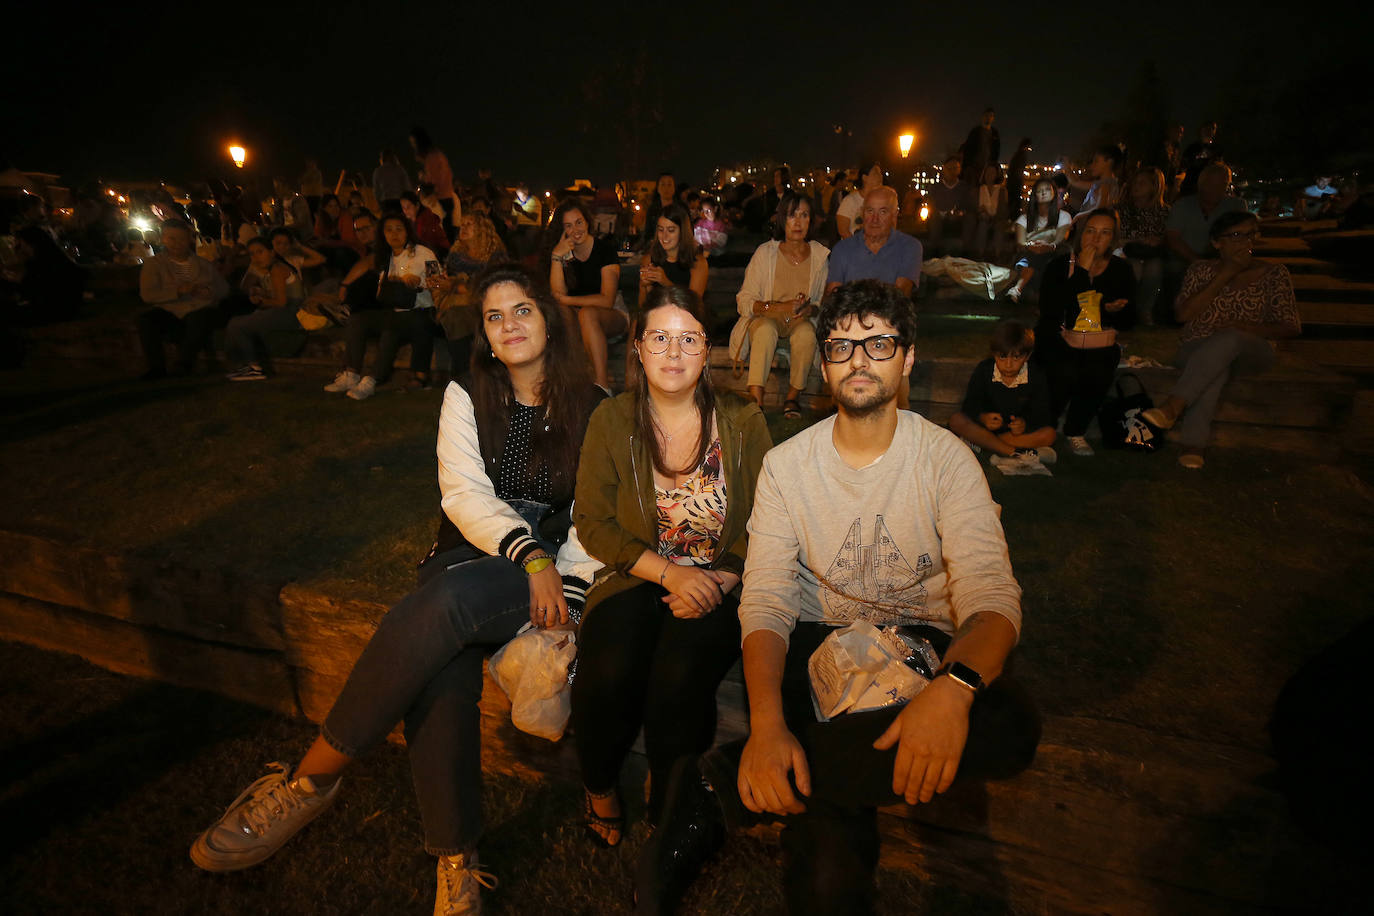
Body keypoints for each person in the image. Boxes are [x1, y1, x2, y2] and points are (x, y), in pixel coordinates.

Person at [191, 263, 605, 915]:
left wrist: (566, 585)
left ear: (548, 321)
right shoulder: (468, 392)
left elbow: (597, 518)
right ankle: (456, 858)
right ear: (486, 335)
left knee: (439, 609)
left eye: (522, 310)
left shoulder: (595, 406)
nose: (509, 325)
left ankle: (310, 779)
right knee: (441, 673)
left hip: (553, 566)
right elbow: (463, 493)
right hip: (474, 551)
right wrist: (525, 554)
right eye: (495, 316)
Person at [637, 279, 1039, 915]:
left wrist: (951, 691)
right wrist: (769, 724)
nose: (859, 360)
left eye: (878, 344)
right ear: (823, 362)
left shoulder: (945, 460)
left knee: (1011, 726)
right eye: (842, 346)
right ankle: (790, 765)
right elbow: (767, 600)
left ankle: (718, 786)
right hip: (817, 643)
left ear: (907, 358)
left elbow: (991, 595)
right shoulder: (789, 466)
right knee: (828, 879)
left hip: (922, 645)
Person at [569, 285, 772, 847]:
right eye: (660, 337)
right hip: (637, 574)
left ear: (709, 352)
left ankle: (669, 787)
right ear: (637, 348)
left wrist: (724, 576)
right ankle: (600, 784)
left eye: (689, 339)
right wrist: (670, 573)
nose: (674, 352)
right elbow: (592, 521)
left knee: (679, 675)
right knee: (609, 666)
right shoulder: (612, 418)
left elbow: (769, 515)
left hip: (720, 579)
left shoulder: (742, 420)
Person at [1140, 211, 1300, 469]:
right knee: (1215, 365)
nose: (1245, 241)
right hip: (1196, 347)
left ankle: (1173, 406)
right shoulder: (1200, 270)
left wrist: (1245, 327)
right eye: (1236, 235)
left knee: (1231, 337)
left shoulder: (1274, 274)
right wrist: (1225, 274)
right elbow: (1183, 315)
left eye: (1250, 234)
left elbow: (1290, 326)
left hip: (1251, 350)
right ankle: (1193, 445)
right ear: (1217, 242)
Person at [1034, 210, 1136, 457]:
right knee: (1063, 366)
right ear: (1081, 235)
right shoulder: (1059, 266)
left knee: (1100, 366)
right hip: (1058, 335)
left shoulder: (1120, 270)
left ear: (1112, 239)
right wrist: (1081, 272)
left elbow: (1130, 320)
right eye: (1090, 231)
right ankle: (1044, 428)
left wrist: (1111, 310)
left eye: (1104, 233)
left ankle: (1075, 430)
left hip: (1097, 340)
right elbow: (1052, 310)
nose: (1095, 239)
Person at [730, 195, 829, 418]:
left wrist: (810, 308)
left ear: (811, 221)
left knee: (806, 334)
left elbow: (821, 304)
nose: (798, 222)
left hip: (799, 322)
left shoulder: (820, 257)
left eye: (804, 215)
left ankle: (792, 398)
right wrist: (776, 307)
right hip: (767, 319)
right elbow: (744, 299)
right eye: (792, 215)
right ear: (782, 219)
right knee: (765, 330)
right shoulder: (766, 253)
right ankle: (756, 399)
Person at [324, 212, 439, 399]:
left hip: (419, 311)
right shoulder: (386, 258)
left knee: (391, 326)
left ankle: (373, 378)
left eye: (399, 229)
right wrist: (390, 282)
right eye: (389, 230)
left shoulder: (423, 253)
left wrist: (417, 282)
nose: (394, 234)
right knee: (358, 320)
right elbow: (379, 290)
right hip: (393, 310)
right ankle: (351, 373)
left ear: (407, 231)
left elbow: (438, 283)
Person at [948, 319, 1056, 462]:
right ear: (994, 354)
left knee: (1049, 434)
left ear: (1027, 356)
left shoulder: (1036, 375)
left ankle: (986, 443)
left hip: (1012, 434)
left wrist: (1024, 423)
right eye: (1002, 357)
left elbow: (1042, 413)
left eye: (1016, 357)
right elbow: (970, 405)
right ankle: (1014, 452)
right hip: (985, 428)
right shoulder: (985, 370)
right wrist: (983, 417)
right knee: (957, 420)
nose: (1008, 365)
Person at [547, 199, 626, 392]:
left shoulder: (604, 251)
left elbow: (607, 300)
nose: (575, 229)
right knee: (562, 313)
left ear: (588, 222)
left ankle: (602, 386)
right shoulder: (564, 253)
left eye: (579, 222)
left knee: (587, 313)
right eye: (568, 225)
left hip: (612, 316)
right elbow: (557, 296)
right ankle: (574, 383)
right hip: (576, 320)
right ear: (562, 230)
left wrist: (567, 300)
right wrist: (557, 257)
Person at [136, 218, 229, 379]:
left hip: (199, 309)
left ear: (189, 240)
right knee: (146, 320)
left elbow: (223, 289)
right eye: (171, 238)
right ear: (163, 239)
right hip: (170, 309)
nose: (176, 243)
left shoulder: (203, 264)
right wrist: (177, 292)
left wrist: (209, 291)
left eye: (181, 239)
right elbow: (148, 294)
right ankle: (157, 368)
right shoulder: (154, 264)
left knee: (200, 318)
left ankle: (184, 363)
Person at [435, 213, 510, 380]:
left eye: (469, 224)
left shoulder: (496, 257)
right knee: (455, 316)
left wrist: (463, 287)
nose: (464, 228)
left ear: (482, 230)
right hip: (460, 308)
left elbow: (498, 284)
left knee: (462, 317)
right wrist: (447, 283)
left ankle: (466, 376)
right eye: (462, 225)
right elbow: (450, 285)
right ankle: (462, 377)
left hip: (488, 305)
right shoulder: (455, 258)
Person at [223, 237, 308, 381]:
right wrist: (261, 294)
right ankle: (247, 365)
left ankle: (253, 367)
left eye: (260, 252)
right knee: (236, 322)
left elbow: (281, 302)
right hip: (286, 311)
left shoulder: (277, 269)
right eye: (252, 254)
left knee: (237, 325)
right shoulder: (272, 269)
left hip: (291, 313)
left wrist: (261, 302)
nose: (256, 257)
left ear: (271, 252)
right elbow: (277, 295)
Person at [1117, 168, 1171, 324]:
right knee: (1134, 268)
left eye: (1142, 183)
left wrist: (1158, 240)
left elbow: (1170, 237)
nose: (1136, 186)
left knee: (1154, 267)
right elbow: (1116, 237)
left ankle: (1145, 309)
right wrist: (1137, 240)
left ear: (1154, 187)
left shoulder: (1164, 212)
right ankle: (1130, 308)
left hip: (1152, 254)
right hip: (1126, 251)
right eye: (1135, 182)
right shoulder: (1122, 209)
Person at [1005, 177, 1071, 303]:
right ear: (1034, 195)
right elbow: (1020, 242)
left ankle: (1017, 289)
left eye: (1047, 189)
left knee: (1044, 256)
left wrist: (1047, 246)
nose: (1043, 192)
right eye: (1039, 190)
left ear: (1054, 193)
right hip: (1029, 253)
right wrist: (1032, 246)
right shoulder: (1024, 219)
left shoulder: (1063, 216)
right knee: (1034, 255)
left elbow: (1061, 239)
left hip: (1052, 253)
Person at [639, 203, 708, 307]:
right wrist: (644, 286)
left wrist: (666, 282)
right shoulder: (649, 259)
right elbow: (643, 307)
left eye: (671, 230)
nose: (664, 236)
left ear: (682, 232)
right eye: (660, 230)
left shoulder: (697, 262)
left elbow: (694, 307)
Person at [411, 126, 456, 240]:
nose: (413, 146)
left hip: (440, 198)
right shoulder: (437, 155)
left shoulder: (432, 157)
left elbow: (436, 179)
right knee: (447, 230)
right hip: (445, 196)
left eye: (413, 142)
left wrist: (431, 191)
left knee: (442, 231)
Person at [926, 157, 969, 257]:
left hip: (957, 221)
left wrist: (959, 213)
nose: (952, 172)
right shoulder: (936, 188)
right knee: (935, 220)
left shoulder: (964, 188)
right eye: (949, 169)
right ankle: (934, 252)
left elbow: (967, 206)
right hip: (939, 218)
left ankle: (965, 253)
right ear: (944, 170)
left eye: (955, 168)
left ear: (959, 170)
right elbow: (931, 205)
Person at [965, 164, 1008, 262]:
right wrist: (980, 211)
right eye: (988, 172)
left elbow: (1004, 211)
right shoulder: (977, 190)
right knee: (983, 224)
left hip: (996, 219)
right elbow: (971, 208)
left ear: (997, 175)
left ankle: (997, 256)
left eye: (992, 173)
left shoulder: (1002, 191)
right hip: (981, 219)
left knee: (999, 227)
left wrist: (993, 217)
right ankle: (979, 255)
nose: (990, 175)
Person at [1067, 146, 1122, 222]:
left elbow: (1099, 210)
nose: (1092, 165)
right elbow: (1076, 183)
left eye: (1096, 161)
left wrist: (1078, 216)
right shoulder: (1107, 182)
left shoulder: (1106, 184)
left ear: (1109, 162)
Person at [835, 162, 883, 240]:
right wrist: (857, 248)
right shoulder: (850, 200)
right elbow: (843, 231)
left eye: (880, 173)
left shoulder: (881, 201)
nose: (880, 177)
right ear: (865, 177)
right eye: (876, 173)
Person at [402, 190, 450, 256]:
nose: (405, 210)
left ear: (417, 205)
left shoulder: (426, 219)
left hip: (439, 252)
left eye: (408, 207)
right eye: (403, 207)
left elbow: (429, 245)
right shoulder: (410, 220)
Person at [1178, 122, 1220, 197]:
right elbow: (1183, 165)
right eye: (1207, 128)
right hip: (1191, 187)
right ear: (1201, 130)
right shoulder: (1192, 148)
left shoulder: (1217, 150)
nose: (1209, 131)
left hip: (1209, 188)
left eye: (1213, 128)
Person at [961, 108, 1001, 184]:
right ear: (982, 117)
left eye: (991, 116)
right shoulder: (975, 132)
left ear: (993, 118)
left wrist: (993, 164)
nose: (988, 118)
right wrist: (967, 166)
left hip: (987, 168)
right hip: (974, 167)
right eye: (987, 115)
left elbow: (996, 150)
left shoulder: (995, 133)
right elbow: (968, 149)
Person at [640, 172, 677, 250]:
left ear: (674, 188)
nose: (666, 188)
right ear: (658, 188)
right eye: (663, 184)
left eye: (669, 185)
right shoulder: (652, 210)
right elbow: (648, 233)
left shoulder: (680, 209)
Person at [372, 149, 411, 213]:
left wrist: (379, 203)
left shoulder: (378, 171)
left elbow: (376, 190)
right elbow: (407, 186)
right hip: (400, 201)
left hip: (386, 202)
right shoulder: (400, 169)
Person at [1007, 138, 1032, 220]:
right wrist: (1020, 183)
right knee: (1015, 206)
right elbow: (1018, 172)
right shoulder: (1021, 156)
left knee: (1012, 205)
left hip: (1011, 184)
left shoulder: (1017, 155)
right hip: (1015, 185)